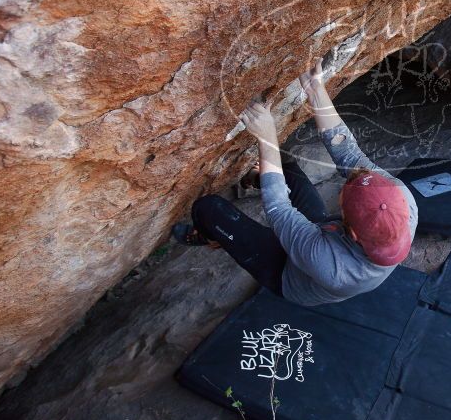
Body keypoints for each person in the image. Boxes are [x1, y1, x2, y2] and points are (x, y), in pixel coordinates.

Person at [173, 59, 418, 306]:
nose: (353, 176)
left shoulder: (333, 268)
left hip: (286, 274)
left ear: (352, 231)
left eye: (344, 193)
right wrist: (315, 89)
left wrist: (267, 137)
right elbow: (350, 155)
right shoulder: (400, 200)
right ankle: (258, 178)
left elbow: (278, 208)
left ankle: (209, 235)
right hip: (326, 232)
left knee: (207, 208)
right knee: (289, 170)